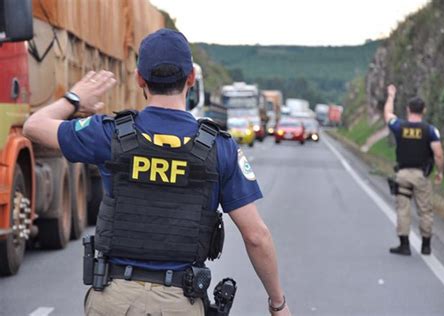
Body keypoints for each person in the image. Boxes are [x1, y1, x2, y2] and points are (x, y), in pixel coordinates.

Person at [23, 29, 291, 316]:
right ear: (190, 78)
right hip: (179, 303)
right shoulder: (219, 147)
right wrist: (278, 304)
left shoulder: (109, 133)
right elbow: (256, 236)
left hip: (114, 301)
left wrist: (75, 99)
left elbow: (34, 126)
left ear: (139, 78)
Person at [384, 84, 444, 256]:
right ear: (423, 110)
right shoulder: (430, 130)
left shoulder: (399, 126)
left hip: (402, 174)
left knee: (403, 209)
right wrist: (440, 173)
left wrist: (391, 96)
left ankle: (404, 245)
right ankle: (426, 246)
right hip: (421, 175)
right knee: (425, 210)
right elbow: (438, 154)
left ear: (408, 109)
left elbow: (387, 115)